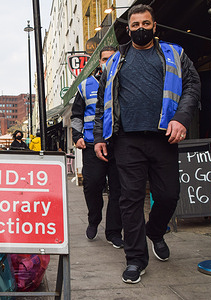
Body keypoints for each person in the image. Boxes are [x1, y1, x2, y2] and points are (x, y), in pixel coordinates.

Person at [94, 4, 201, 284]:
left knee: (168, 195)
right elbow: (102, 102)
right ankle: (135, 259)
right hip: (127, 139)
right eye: (135, 25)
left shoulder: (174, 53)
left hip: (163, 136)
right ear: (128, 29)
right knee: (130, 200)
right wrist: (98, 137)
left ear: (154, 26)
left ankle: (155, 231)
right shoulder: (116, 60)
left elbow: (192, 85)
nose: (140, 28)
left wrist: (182, 118)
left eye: (145, 24)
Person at [71, 46, 123, 248]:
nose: (107, 62)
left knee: (118, 190)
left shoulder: (122, 82)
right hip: (92, 144)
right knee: (92, 186)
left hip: (117, 145)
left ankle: (114, 231)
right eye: (104, 59)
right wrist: (77, 136)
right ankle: (94, 219)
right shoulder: (85, 86)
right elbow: (77, 115)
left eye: (111, 59)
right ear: (99, 62)